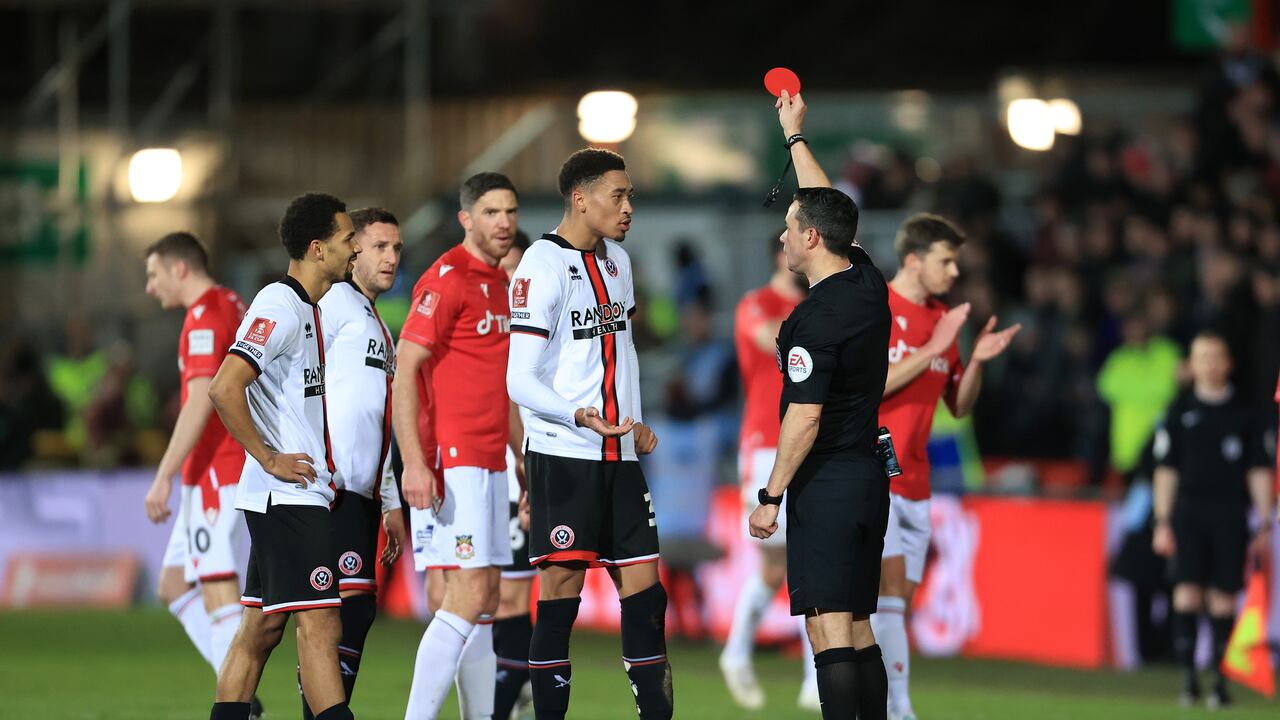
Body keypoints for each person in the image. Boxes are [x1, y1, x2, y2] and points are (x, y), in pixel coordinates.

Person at [506, 148, 672, 720]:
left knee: (648, 599)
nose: (628, 208)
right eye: (618, 196)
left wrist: (636, 420)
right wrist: (578, 415)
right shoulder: (539, 267)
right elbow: (518, 379)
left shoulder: (620, 262)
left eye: (631, 197)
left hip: (620, 454)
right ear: (581, 198)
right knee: (560, 597)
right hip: (565, 455)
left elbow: (619, 353)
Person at [747, 90, 889, 720]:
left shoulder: (811, 323)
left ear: (808, 239)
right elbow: (832, 211)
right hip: (867, 478)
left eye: (789, 227)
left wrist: (771, 494)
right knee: (858, 627)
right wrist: (795, 139)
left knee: (827, 631)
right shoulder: (867, 283)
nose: (782, 233)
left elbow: (803, 416)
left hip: (825, 485)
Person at [207, 192, 360, 720]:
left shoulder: (310, 311)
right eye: (347, 239)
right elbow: (226, 386)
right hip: (285, 495)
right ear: (318, 249)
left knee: (261, 629)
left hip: (292, 495)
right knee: (321, 625)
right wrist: (270, 457)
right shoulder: (280, 304)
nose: (355, 248)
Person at [874, 214, 1020, 720]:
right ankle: (898, 708)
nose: (954, 271)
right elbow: (868, 385)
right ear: (914, 260)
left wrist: (974, 360)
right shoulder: (875, 307)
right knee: (889, 592)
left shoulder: (943, 321)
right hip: (872, 469)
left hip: (917, 477)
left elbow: (957, 405)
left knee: (897, 601)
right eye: (945, 260)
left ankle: (869, 698)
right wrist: (932, 350)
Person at [396, 173, 519, 720]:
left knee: (486, 599)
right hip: (456, 458)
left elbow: (505, 385)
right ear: (466, 219)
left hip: (492, 461)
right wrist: (416, 462)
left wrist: (523, 461)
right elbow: (405, 370)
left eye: (510, 212)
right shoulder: (447, 278)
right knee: (466, 595)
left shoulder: (500, 283)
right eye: (491, 212)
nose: (504, 223)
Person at [142, 232, 254, 713]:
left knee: (216, 582)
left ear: (179, 269)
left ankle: (240, 701)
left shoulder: (207, 314)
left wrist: (164, 473)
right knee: (173, 584)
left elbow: (201, 400)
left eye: (153, 274)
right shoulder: (231, 301)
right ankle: (244, 696)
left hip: (217, 466)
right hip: (211, 468)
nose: (150, 287)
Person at [305, 207, 410, 718]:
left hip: (363, 497)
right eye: (379, 248)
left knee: (349, 614)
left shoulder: (375, 321)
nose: (392, 258)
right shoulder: (332, 306)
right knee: (339, 615)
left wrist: (388, 499)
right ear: (351, 253)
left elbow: (377, 422)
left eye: (397, 249)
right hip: (333, 489)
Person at [1152, 331, 1275, 710]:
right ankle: (1189, 681)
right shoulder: (1178, 411)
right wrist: (1162, 519)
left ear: (1228, 364)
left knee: (1224, 595)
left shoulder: (1245, 413)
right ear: (1191, 364)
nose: (1208, 364)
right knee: (1187, 590)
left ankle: (1220, 683)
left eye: (1214, 357)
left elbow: (1257, 469)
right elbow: (1166, 469)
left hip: (1229, 512)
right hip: (1188, 511)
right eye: (1200, 357)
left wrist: (1265, 523)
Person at [720, 236, 816, 711]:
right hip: (763, 441)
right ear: (783, 256)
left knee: (802, 558)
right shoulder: (755, 304)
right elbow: (767, 338)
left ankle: (810, 676)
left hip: (809, 442)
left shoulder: (817, 304)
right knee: (780, 562)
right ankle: (738, 653)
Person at [494, 230, 535, 720]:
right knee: (464, 595)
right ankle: (515, 682)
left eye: (518, 272)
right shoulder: (480, 320)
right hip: (473, 467)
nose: (511, 281)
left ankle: (503, 703)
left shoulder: (535, 325)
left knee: (512, 593)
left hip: (519, 467)